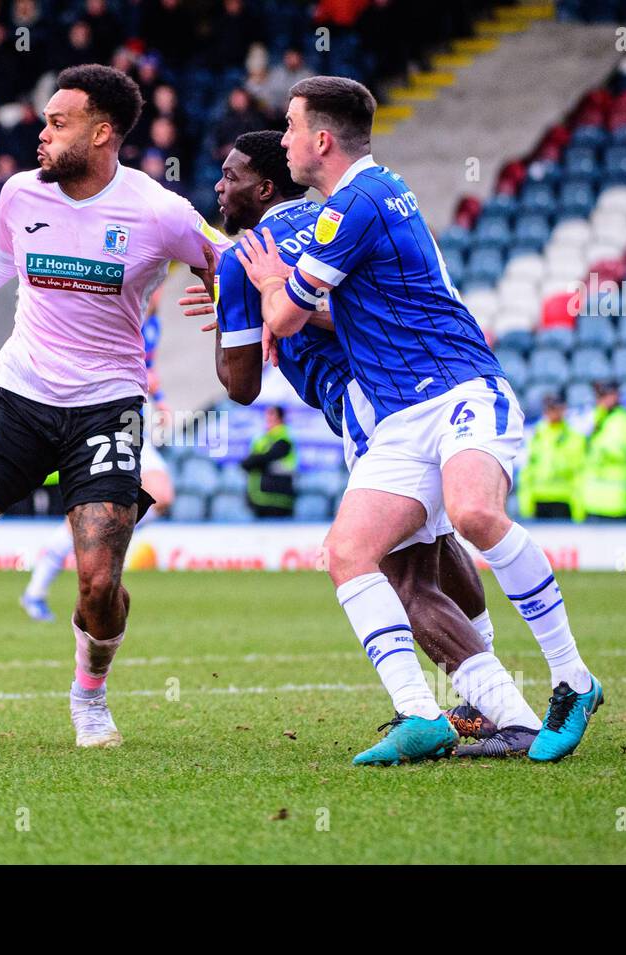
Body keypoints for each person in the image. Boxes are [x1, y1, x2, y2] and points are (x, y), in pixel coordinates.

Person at [234, 77, 601, 764]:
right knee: (349, 554)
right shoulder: (368, 199)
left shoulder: (354, 205)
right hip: (402, 418)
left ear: (320, 139)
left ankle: (574, 680)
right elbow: (342, 308)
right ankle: (420, 713)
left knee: (473, 516)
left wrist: (260, 284)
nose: (281, 140)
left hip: (460, 388)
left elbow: (283, 316)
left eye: (288, 126)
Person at [0, 65, 227, 748]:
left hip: (107, 406)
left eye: (56, 123)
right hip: (18, 394)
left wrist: (229, 295)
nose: (41, 133)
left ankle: (88, 697)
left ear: (101, 132)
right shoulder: (21, 194)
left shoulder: (159, 212)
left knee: (98, 581)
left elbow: (228, 261)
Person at [179, 131, 540, 755]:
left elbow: (239, 386)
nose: (219, 184)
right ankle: (482, 703)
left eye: (232, 175)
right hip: (428, 382)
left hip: (370, 406)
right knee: (434, 545)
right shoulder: (339, 213)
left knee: (402, 578)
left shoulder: (245, 257)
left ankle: (495, 713)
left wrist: (232, 304)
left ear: (265, 187)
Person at [20, 286, 176, 623]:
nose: (161, 292)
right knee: (87, 518)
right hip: (106, 421)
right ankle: (36, 589)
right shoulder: (121, 318)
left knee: (160, 496)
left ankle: (100, 536)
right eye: (157, 285)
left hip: (135, 424)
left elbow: (149, 369)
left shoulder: (153, 326)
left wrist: (158, 396)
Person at [518, 392, 586, 521]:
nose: (554, 412)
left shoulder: (575, 438)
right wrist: (526, 504)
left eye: (557, 408)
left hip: (564, 500)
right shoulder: (535, 436)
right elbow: (527, 472)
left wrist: (579, 508)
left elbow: (579, 474)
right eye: (550, 408)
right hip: (539, 499)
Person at [583, 379, 626, 521]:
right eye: (598, 395)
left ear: (615, 395)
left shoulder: (625, 420)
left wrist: (595, 447)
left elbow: (619, 451)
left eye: (604, 395)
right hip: (595, 502)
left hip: (619, 503)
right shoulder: (597, 418)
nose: (600, 400)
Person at [241, 404, 296, 517]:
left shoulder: (284, 438)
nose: (268, 419)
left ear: (281, 418)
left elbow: (263, 458)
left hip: (278, 499)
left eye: (272, 415)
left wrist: (254, 461)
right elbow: (250, 462)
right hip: (260, 497)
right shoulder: (263, 439)